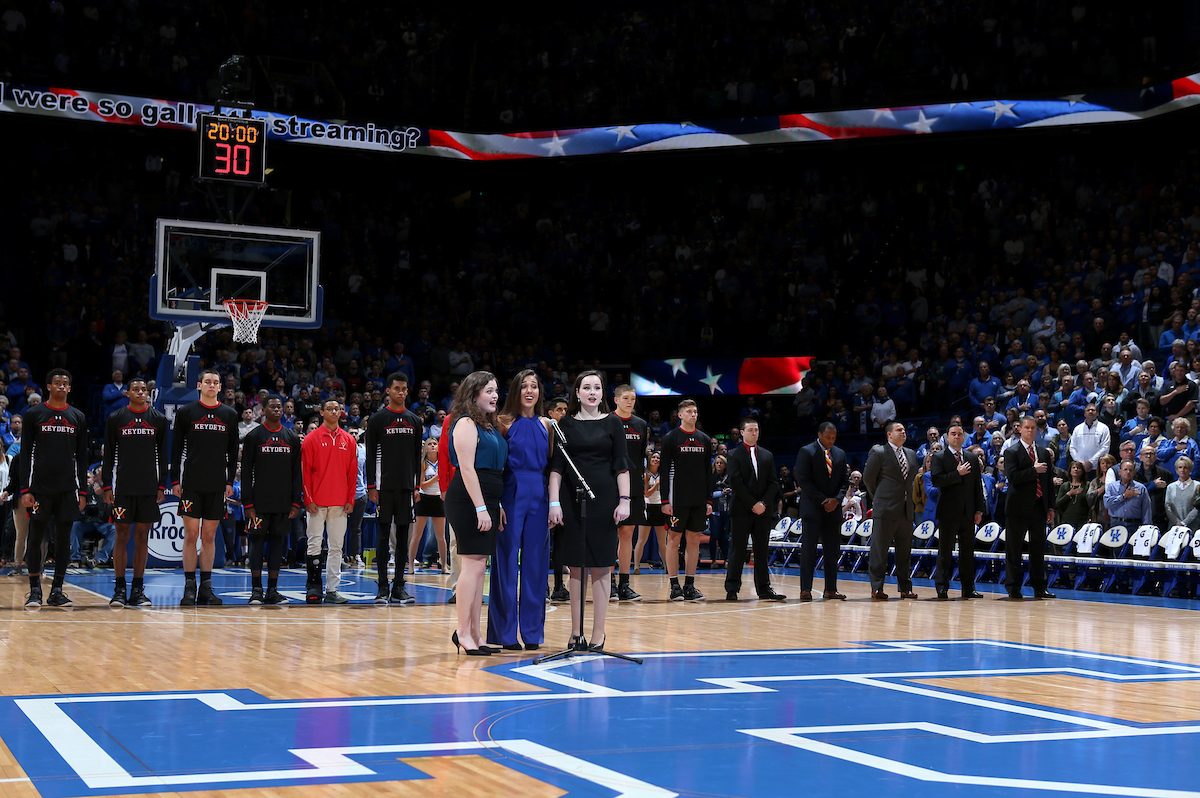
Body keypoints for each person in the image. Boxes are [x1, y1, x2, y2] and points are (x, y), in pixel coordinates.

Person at [547, 370, 631, 650]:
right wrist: (554, 501)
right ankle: (575, 632)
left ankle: (598, 633)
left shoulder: (613, 423)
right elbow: (556, 469)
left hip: (605, 501)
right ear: (577, 393)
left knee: (601, 566)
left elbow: (621, 465)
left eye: (597, 387)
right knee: (576, 568)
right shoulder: (566, 424)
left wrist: (625, 500)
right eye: (586, 387)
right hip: (572, 502)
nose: (592, 392)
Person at [488, 369, 552, 651]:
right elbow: (494, 466)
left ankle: (532, 633)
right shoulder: (502, 422)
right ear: (515, 391)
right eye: (524, 386)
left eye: (534, 386)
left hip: (539, 493)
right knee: (505, 562)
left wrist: (553, 503)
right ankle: (504, 633)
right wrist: (498, 502)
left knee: (537, 565)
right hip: (511, 493)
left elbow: (552, 466)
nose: (529, 390)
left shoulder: (548, 425)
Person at [446, 371, 507, 655]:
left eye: (496, 391)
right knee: (471, 565)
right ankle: (462, 632)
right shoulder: (466, 423)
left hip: (488, 499)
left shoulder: (489, 425)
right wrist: (481, 507)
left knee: (480, 566)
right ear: (474, 394)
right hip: (468, 500)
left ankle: (474, 632)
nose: (495, 396)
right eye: (489, 391)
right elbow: (468, 469)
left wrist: (496, 506)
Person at [171, 367, 239, 607]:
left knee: (209, 536)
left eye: (215, 382)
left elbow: (232, 452)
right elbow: (176, 448)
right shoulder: (187, 412)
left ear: (220, 387)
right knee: (191, 535)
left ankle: (206, 589)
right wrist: (175, 481)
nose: (211, 385)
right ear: (199, 385)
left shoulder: (229, 415)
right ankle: (189, 587)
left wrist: (229, 481)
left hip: (216, 485)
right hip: (191, 483)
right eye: (207, 382)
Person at [101, 376, 167, 608]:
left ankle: (138, 590)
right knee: (121, 536)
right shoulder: (116, 418)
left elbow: (163, 455)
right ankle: (119, 589)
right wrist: (107, 485)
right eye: (135, 389)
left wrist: (161, 486)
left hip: (148, 487)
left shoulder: (158, 420)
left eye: (143, 389)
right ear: (127, 393)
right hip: (123, 488)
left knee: (142, 537)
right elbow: (108, 454)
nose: (140, 392)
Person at [364, 373, 423, 605]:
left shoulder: (414, 420)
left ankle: (399, 586)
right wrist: (371, 486)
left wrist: (417, 485)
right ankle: (382, 587)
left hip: (407, 487)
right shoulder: (378, 419)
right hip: (383, 487)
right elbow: (370, 455)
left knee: (402, 536)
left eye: (404, 389)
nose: (401, 392)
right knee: (382, 536)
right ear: (388, 391)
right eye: (396, 388)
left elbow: (417, 455)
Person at [240, 396, 302, 605]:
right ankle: (256, 590)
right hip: (258, 504)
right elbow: (246, 472)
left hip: (283, 503)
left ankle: (273, 590)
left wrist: (296, 501)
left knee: (278, 545)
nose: (276, 409)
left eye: (279, 407)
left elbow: (296, 474)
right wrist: (247, 503)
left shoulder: (291, 437)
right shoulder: (254, 436)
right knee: (257, 544)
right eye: (272, 407)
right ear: (263, 410)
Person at [301, 399, 358, 604]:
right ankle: (313, 587)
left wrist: (350, 498)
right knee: (314, 544)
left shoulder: (348, 440)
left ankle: (332, 590)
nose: (334, 411)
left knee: (336, 548)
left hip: (340, 503)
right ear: (322, 412)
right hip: (316, 501)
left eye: (337, 408)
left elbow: (352, 473)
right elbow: (305, 472)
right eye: (330, 409)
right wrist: (308, 498)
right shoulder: (311, 438)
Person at [658, 399, 713, 601]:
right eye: (689, 411)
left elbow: (709, 472)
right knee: (674, 539)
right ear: (680, 415)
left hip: (698, 499)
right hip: (677, 499)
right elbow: (664, 471)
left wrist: (709, 500)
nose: (693, 414)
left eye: (695, 411)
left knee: (694, 539)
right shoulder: (671, 438)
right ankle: (674, 585)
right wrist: (665, 500)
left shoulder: (704, 439)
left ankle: (689, 585)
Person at [724, 417, 784, 602]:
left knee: (761, 550)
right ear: (742, 433)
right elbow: (736, 483)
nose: (754, 433)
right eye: (750, 430)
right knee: (738, 550)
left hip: (763, 511)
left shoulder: (767, 454)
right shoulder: (734, 454)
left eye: (756, 430)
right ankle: (732, 589)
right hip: (742, 509)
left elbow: (773, 483)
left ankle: (764, 589)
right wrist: (753, 504)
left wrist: (763, 504)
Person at [862, 420, 919, 600]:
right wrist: (879, 498)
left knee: (904, 552)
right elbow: (868, 479)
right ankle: (877, 587)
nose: (903, 431)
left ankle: (905, 588)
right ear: (889, 434)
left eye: (904, 429)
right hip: (885, 509)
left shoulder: (911, 453)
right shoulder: (878, 452)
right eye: (899, 429)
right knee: (880, 551)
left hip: (906, 510)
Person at [929, 422, 985, 600]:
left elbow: (977, 486)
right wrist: (957, 473)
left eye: (960, 434)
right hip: (948, 512)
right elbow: (937, 480)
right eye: (953, 433)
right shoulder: (939, 457)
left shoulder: (972, 457)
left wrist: (978, 510)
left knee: (967, 553)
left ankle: (968, 589)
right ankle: (942, 588)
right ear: (946, 437)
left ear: (964, 437)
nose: (956, 436)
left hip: (968, 512)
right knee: (945, 552)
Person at [793, 421, 849, 600]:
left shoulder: (840, 453)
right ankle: (805, 589)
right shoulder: (807, 451)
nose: (831, 440)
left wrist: (837, 500)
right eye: (828, 437)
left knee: (832, 551)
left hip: (833, 509)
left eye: (834, 437)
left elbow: (844, 481)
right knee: (809, 550)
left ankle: (830, 589)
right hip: (813, 509)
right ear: (819, 435)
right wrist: (823, 500)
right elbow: (804, 480)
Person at [1004, 416, 1056, 600]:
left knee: (1038, 549)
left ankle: (1040, 587)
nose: (1030, 431)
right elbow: (1012, 477)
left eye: (1033, 428)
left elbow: (1048, 482)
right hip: (1017, 507)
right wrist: (1033, 470)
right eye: (1027, 428)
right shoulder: (1011, 452)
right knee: (1014, 549)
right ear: (1020, 429)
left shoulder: (1043, 452)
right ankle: (1013, 587)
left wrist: (1050, 507)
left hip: (1038, 506)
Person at [611, 385, 647, 601]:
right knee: (610, 536)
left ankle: (624, 584)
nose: (630, 402)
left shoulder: (641, 424)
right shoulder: (606, 421)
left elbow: (640, 458)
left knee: (627, 535)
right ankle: (610, 583)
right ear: (616, 400)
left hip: (633, 487)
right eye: (626, 398)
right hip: (610, 487)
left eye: (633, 398)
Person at [544, 397, 570, 602]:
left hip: (564, 491)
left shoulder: (569, 434)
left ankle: (560, 586)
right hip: (543, 489)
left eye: (566, 410)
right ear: (550, 413)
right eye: (559, 409)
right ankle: (542, 585)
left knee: (561, 541)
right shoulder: (544, 432)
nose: (563, 413)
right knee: (542, 541)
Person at [411, 438, 447, 573]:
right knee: (417, 536)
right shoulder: (423, 464)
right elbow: (422, 485)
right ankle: (410, 566)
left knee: (441, 537)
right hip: (424, 499)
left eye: (435, 444)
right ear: (425, 448)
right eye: (430, 444)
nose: (432, 446)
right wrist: (436, 477)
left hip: (439, 499)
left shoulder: (443, 463)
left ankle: (444, 566)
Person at [634, 449, 666, 572]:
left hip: (660, 508)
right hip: (648, 507)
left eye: (658, 458)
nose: (656, 460)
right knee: (641, 540)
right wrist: (657, 485)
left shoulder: (663, 474)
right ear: (649, 460)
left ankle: (667, 566)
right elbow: (646, 494)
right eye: (654, 458)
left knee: (663, 542)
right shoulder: (646, 474)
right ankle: (636, 566)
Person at [1104, 460, 1154, 530]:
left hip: (1135, 524)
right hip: (1116, 523)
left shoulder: (1140, 488)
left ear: (1134, 473)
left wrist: (1146, 527)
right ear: (1120, 471)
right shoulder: (1112, 487)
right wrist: (1124, 496)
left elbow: (1146, 509)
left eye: (1130, 470)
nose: (1128, 472)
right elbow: (1107, 504)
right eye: (1125, 469)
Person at [1165, 456, 1200, 531]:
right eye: (1180, 467)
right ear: (1176, 470)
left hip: (1192, 527)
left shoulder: (1197, 486)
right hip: (1174, 527)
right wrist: (1177, 522)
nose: (1182, 470)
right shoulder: (1170, 487)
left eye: (1185, 467)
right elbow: (1168, 506)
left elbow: (1197, 507)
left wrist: (1184, 522)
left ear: (1190, 470)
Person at [1056, 461, 1092, 531]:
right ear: (1070, 471)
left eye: (1078, 468)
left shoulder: (1087, 485)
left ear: (1082, 471)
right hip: (1066, 520)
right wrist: (1069, 494)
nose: (1076, 469)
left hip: (1082, 521)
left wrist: (1089, 518)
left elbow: (1090, 504)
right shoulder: (1065, 486)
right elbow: (1057, 504)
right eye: (1074, 468)